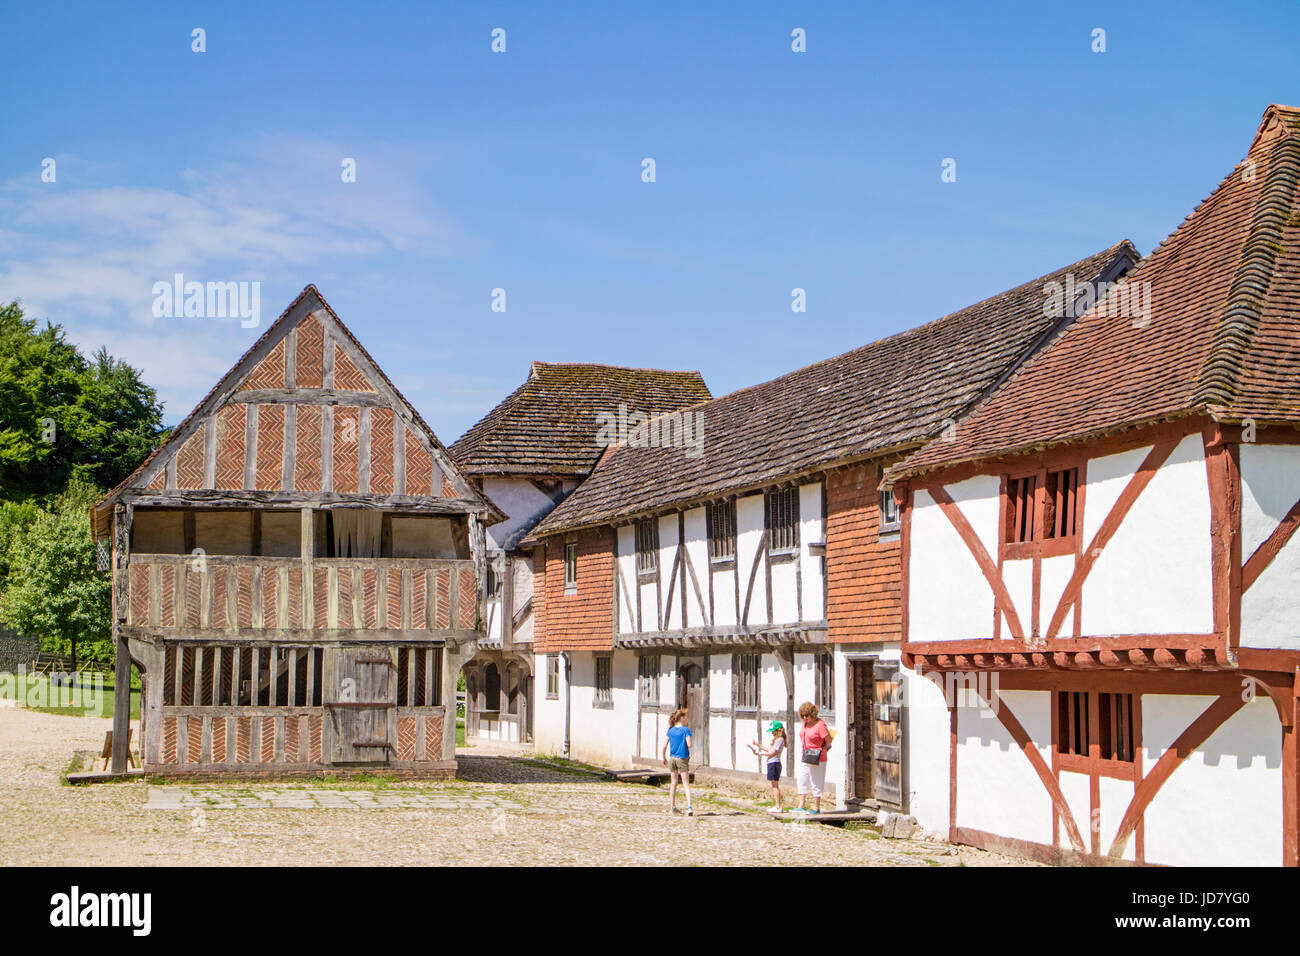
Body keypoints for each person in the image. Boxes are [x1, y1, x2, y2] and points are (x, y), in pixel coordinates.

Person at [795, 702, 831, 814]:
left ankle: (816, 806)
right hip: (806, 755)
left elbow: (828, 739)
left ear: (813, 714)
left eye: (807, 715)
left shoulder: (820, 725)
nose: (805, 718)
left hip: (818, 757)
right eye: (803, 716)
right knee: (802, 779)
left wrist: (823, 748)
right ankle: (801, 804)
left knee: (816, 781)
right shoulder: (805, 724)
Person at [748, 720, 787, 812]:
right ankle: (777, 806)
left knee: (774, 786)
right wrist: (758, 745)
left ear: (778, 730)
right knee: (773, 785)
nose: (772, 733)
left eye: (773, 731)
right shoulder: (777, 740)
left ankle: (778, 806)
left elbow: (772, 753)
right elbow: (769, 749)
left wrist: (759, 754)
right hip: (772, 763)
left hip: (774, 764)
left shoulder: (780, 739)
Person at [661, 708, 693, 816]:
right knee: (686, 784)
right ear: (682, 718)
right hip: (682, 758)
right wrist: (688, 742)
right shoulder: (685, 730)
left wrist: (663, 757)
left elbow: (664, 746)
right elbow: (689, 745)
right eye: (686, 718)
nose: (687, 720)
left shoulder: (670, 730)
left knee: (673, 783)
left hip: (672, 758)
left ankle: (672, 807)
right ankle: (689, 807)